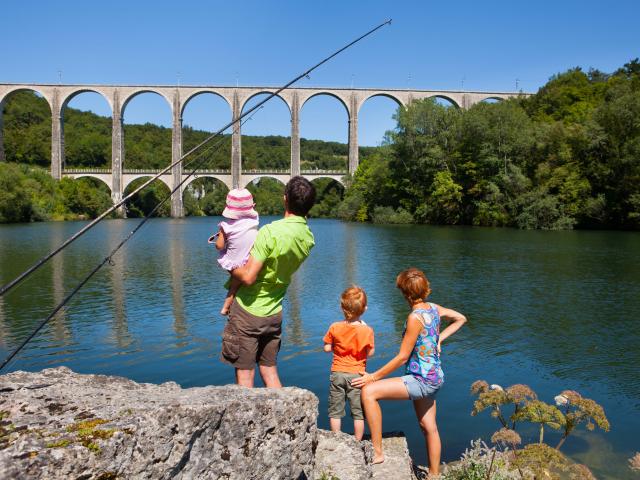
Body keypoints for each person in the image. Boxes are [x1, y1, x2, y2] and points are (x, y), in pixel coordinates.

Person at [352, 267, 466, 475]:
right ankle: (434, 475)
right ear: (425, 289)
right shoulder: (433, 308)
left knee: (369, 392)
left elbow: (402, 356)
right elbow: (461, 318)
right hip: (435, 377)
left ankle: (378, 452)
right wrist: (439, 338)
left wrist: (373, 376)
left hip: (420, 379)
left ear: (405, 293)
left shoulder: (415, 318)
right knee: (428, 426)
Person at [220, 176, 316, 388]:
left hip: (248, 311)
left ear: (285, 200)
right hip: (274, 313)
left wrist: (226, 261)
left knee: (245, 375)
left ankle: (245, 421)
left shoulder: (270, 232)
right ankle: (284, 417)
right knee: (269, 369)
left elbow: (247, 276)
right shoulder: (308, 237)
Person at [323, 285, 375, 441]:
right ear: (364, 309)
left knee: (335, 410)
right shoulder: (367, 330)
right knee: (358, 412)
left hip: (337, 373)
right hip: (357, 376)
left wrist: (336, 347)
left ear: (342, 307)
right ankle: (358, 441)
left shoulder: (335, 327)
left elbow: (326, 348)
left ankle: (336, 438)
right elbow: (370, 353)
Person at [209, 188, 259, 315]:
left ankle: (225, 307)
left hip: (233, 261)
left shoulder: (226, 226)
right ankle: (227, 307)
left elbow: (219, 246)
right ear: (252, 206)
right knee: (236, 284)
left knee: (235, 284)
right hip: (248, 260)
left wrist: (221, 234)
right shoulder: (254, 222)